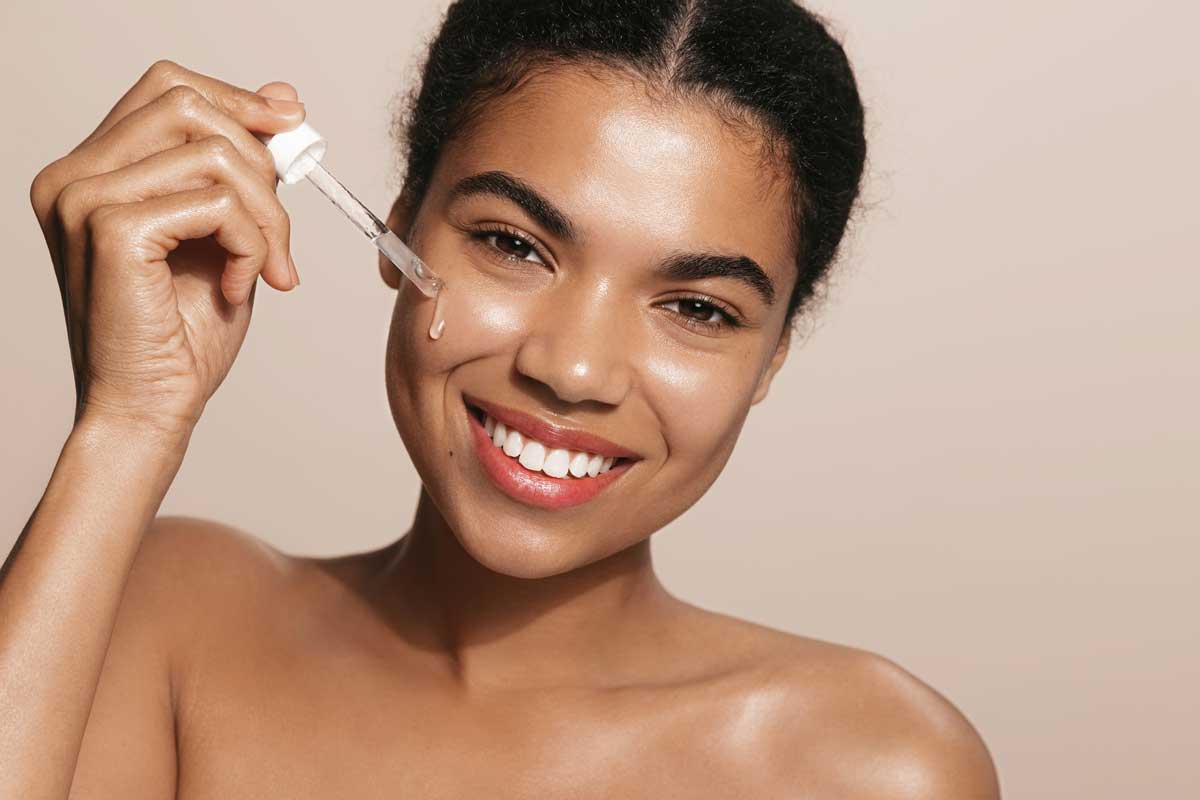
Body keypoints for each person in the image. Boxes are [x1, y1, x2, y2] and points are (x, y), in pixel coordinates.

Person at [3, 0, 1000, 796]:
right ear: (400, 228)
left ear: (774, 352)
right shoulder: (168, 618)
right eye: (513, 244)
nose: (572, 370)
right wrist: (128, 423)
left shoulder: (871, 767)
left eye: (697, 306)